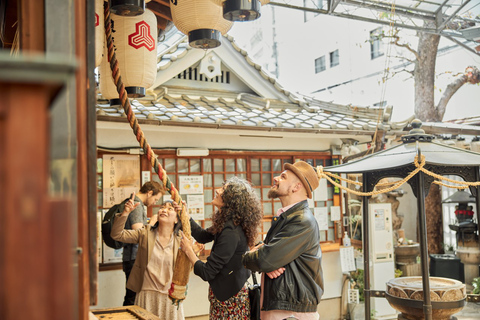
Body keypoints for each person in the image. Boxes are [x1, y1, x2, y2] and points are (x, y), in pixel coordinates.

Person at [242, 160, 324, 320]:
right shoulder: (287, 217)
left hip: (291, 312)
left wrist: (253, 258)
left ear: (296, 187)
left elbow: (265, 259)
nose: (276, 179)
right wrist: (267, 258)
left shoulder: (301, 221)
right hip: (283, 308)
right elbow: (267, 254)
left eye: (283, 177)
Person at [180, 176, 263, 319]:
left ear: (231, 200)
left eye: (223, 190)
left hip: (231, 299)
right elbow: (202, 236)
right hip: (227, 293)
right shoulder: (228, 223)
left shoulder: (231, 231)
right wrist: (185, 215)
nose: (217, 191)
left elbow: (207, 272)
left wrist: (188, 250)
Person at [111, 198, 189, 319]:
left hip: (170, 297)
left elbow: (188, 266)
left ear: (176, 219)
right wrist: (125, 213)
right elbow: (117, 234)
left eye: (170, 208)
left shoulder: (182, 240)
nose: (164, 210)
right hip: (146, 294)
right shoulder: (145, 233)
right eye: (162, 207)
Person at [120, 181, 164, 306]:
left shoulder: (135, 203)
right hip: (134, 258)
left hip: (131, 256)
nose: (155, 202)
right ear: (149, 193)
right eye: (156, 199)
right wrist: (153, 221)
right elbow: (139, 232)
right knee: (133, 298)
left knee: (133, 297)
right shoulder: (137, 205)